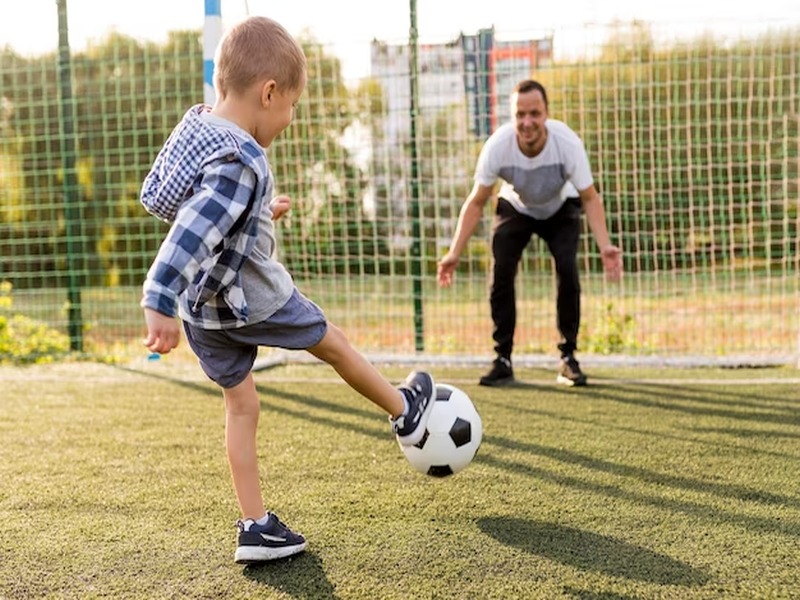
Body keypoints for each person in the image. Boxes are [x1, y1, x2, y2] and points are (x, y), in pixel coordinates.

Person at [139, 16, 435, 564]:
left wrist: (254, 213)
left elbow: (171, 197)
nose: (291, 118)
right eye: (292, 104)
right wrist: (157, 296)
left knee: (241, 404)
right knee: (332, 342)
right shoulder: (240, 159)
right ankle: (405, 411)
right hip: (249, 297)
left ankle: (254, 526)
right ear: (268, 91)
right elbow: (191, 231)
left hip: (203, 314)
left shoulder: (198, 127)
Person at [437, 79, 622, 387]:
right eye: (520, 114)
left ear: (546, 114)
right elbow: (477, 201)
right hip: (516, 206)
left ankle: (568, 358)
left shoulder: (567, 144)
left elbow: (589, 197)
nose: (527, 122)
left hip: (560, 207)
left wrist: (605, 246)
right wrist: (454, 252)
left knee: (567, 268)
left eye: (534, 113)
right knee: (501, 273)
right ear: (513, 116)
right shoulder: (498, 147)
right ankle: (503, 359)